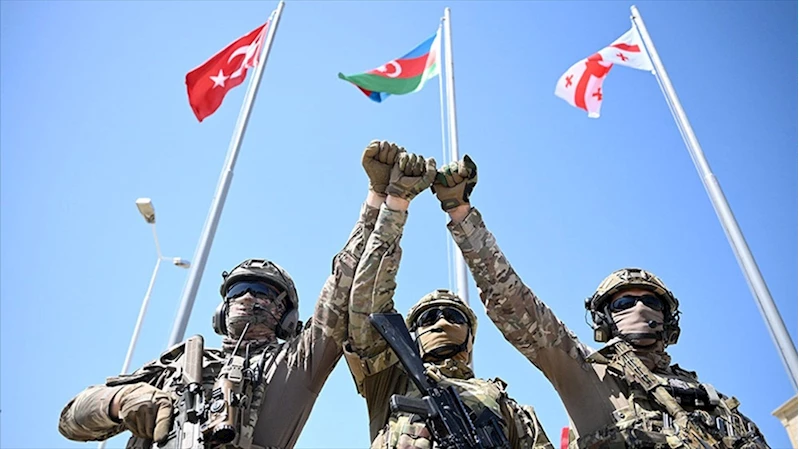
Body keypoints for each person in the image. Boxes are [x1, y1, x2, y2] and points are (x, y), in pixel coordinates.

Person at [57, 139, 398, 449]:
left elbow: (341, 287)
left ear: (287, 316)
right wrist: (122, 401)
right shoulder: (177, 367)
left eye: (262, 291)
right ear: (221, 309)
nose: (246, 297)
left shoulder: (296, 362)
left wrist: (379, 198)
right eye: (237, 290)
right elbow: (70, 420)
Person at [433, 155, 770, 448]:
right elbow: (512, 301)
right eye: (623, 304)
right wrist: (461, 212)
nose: (639, 308)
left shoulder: (718, 404)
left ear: (669, 319)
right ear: (604, 320)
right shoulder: (585, 372)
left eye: (650, 301)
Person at [343, 148, 554, 449]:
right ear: (411, 335)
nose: (441, 322)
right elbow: (367, 301)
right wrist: (396, 204)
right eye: (428, 317)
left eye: (453, 316)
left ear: (470, 337)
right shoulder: (389, 379)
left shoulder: (506, 405)